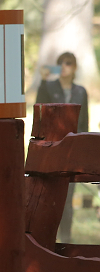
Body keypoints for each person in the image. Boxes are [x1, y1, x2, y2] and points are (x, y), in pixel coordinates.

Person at [37, 52, 89, 241]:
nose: (65, 66)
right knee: (48, 197)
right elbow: (40, 109)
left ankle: (65, 237)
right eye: (61, 63)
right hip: (52, 149)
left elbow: (84, 122)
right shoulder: (49, 87)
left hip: (73, 153)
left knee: (67, 199)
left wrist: (84, 151)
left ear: (74, 67)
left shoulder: (81, 91)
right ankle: (47, 237)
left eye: (69, 63)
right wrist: (43, 82)